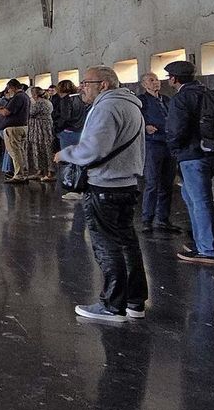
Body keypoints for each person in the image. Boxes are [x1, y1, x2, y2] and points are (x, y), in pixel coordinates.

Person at [55, 65, 148, 323]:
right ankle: (134, 301)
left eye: (86, 82)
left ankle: (112, 305)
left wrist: (65, 154)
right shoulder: (131, 104)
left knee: (106, 245)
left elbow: (93, 149)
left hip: (105, 184)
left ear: (104, 84)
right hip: (126, 183)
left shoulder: (106, 107)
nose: (81, 87)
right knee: (127, 243)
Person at [166, 60, 214, 265]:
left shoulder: (181, 98)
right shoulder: (206, 93)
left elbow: (176, 129)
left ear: (174, 78)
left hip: (192, 154)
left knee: (200, 201)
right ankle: (202, 243)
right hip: (213, 152)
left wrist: (174, 149)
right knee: (190, 195)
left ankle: (208, 250)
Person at [138, 72, 182, 234]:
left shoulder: (167, 100)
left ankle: (162, 219)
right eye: (151, 80)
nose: (156, 83)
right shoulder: (142, 101)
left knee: (167, 183)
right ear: (144, 84)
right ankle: (147, 219)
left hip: (168, 144)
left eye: (156, 79)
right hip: (153, 144)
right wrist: (145, 127)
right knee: (152, 182)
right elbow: (136, 119)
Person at [0, 81, 32, 182]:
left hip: (14, 128)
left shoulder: (17, 97)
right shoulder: (25, 96)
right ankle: (24, 173)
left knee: (15, 152)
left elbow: (6, 112)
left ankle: (18, 175)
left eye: (8, 88)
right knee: (21, 151)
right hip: (23, 126)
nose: (8, 91)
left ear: (12, 87)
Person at [25, 86, 57, 181]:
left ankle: (48, 171)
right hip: (43, 127)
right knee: (43, 149)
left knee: (43, 149)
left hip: (40, 128)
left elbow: (30, 113)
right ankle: (42, 171)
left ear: (34, 95)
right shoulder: (47, 102)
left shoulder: (39, 103)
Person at [53, 79, 87, 150]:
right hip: (80, 130)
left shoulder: (66, 100)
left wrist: (57, 128)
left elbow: (65, 117)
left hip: (68, 131)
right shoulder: (80, 97)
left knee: (67, 157)